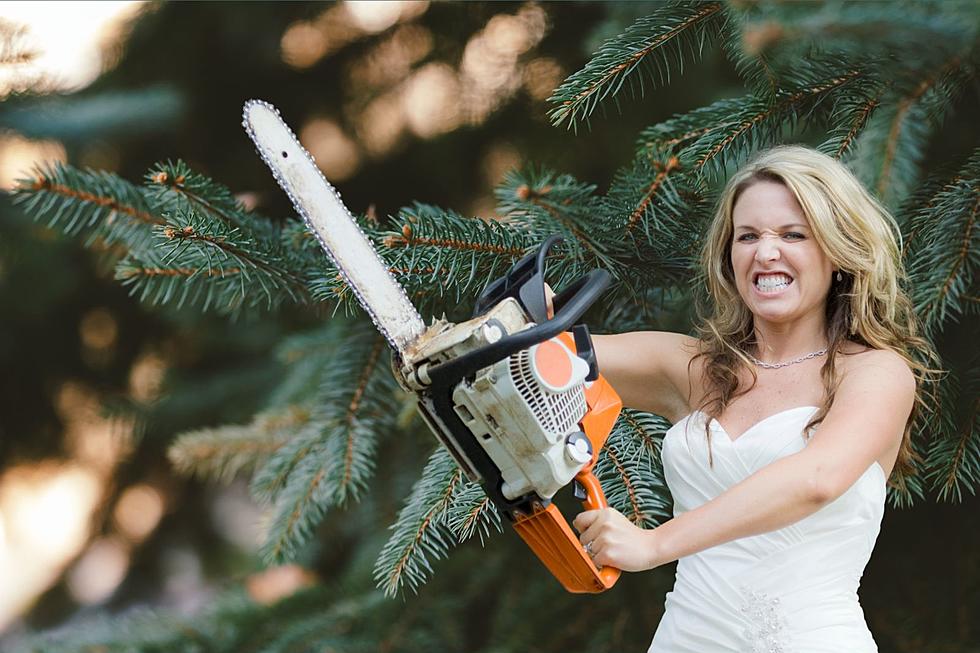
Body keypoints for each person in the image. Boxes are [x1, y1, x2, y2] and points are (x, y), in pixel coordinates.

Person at [561, 145, 937, 652]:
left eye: (792, 235)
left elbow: (817, 478)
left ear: (838, 252)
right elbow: (545, 359)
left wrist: (656, 543)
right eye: (748, 236)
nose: (765, 253)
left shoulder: (876, 373)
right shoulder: (691, 368)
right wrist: (517, 329)